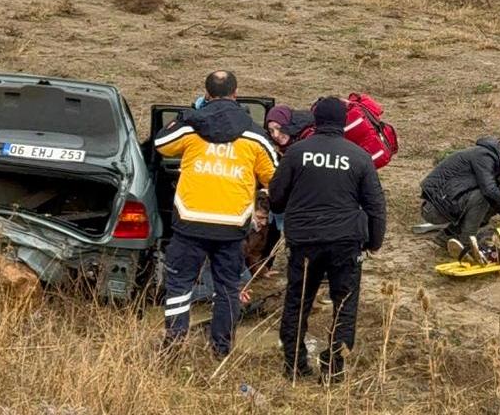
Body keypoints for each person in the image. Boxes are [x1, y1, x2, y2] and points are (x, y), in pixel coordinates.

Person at [154, 71, 278, 357]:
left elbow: (162, 145)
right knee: (227, 289)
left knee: (179, 286)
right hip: (231, 228)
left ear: (206, 94)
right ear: (236, 93)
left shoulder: (192, 128)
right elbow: (274, 176)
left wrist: (189, 115)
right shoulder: (255, 136)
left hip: (190, 224)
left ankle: (173, 344)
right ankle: (221, 349)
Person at [270, 97, 386, 382]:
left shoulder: (296, 153)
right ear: (344, 122)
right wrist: (374, 242)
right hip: (345, 242)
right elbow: (376, 205)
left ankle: (295, 366)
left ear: (315, 121)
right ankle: (334, 369)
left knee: (297, 302)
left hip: (304, 241)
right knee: (345, 305)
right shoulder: (359, 157)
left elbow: (275, 199)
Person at [419, 137, 500, 245]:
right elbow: (489, 190)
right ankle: (466, 244)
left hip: (448, 203)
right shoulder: (483, 157)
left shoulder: (494, 163)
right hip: (434, 209)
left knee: (496, 200)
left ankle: (448, 236)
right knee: (485, 197)